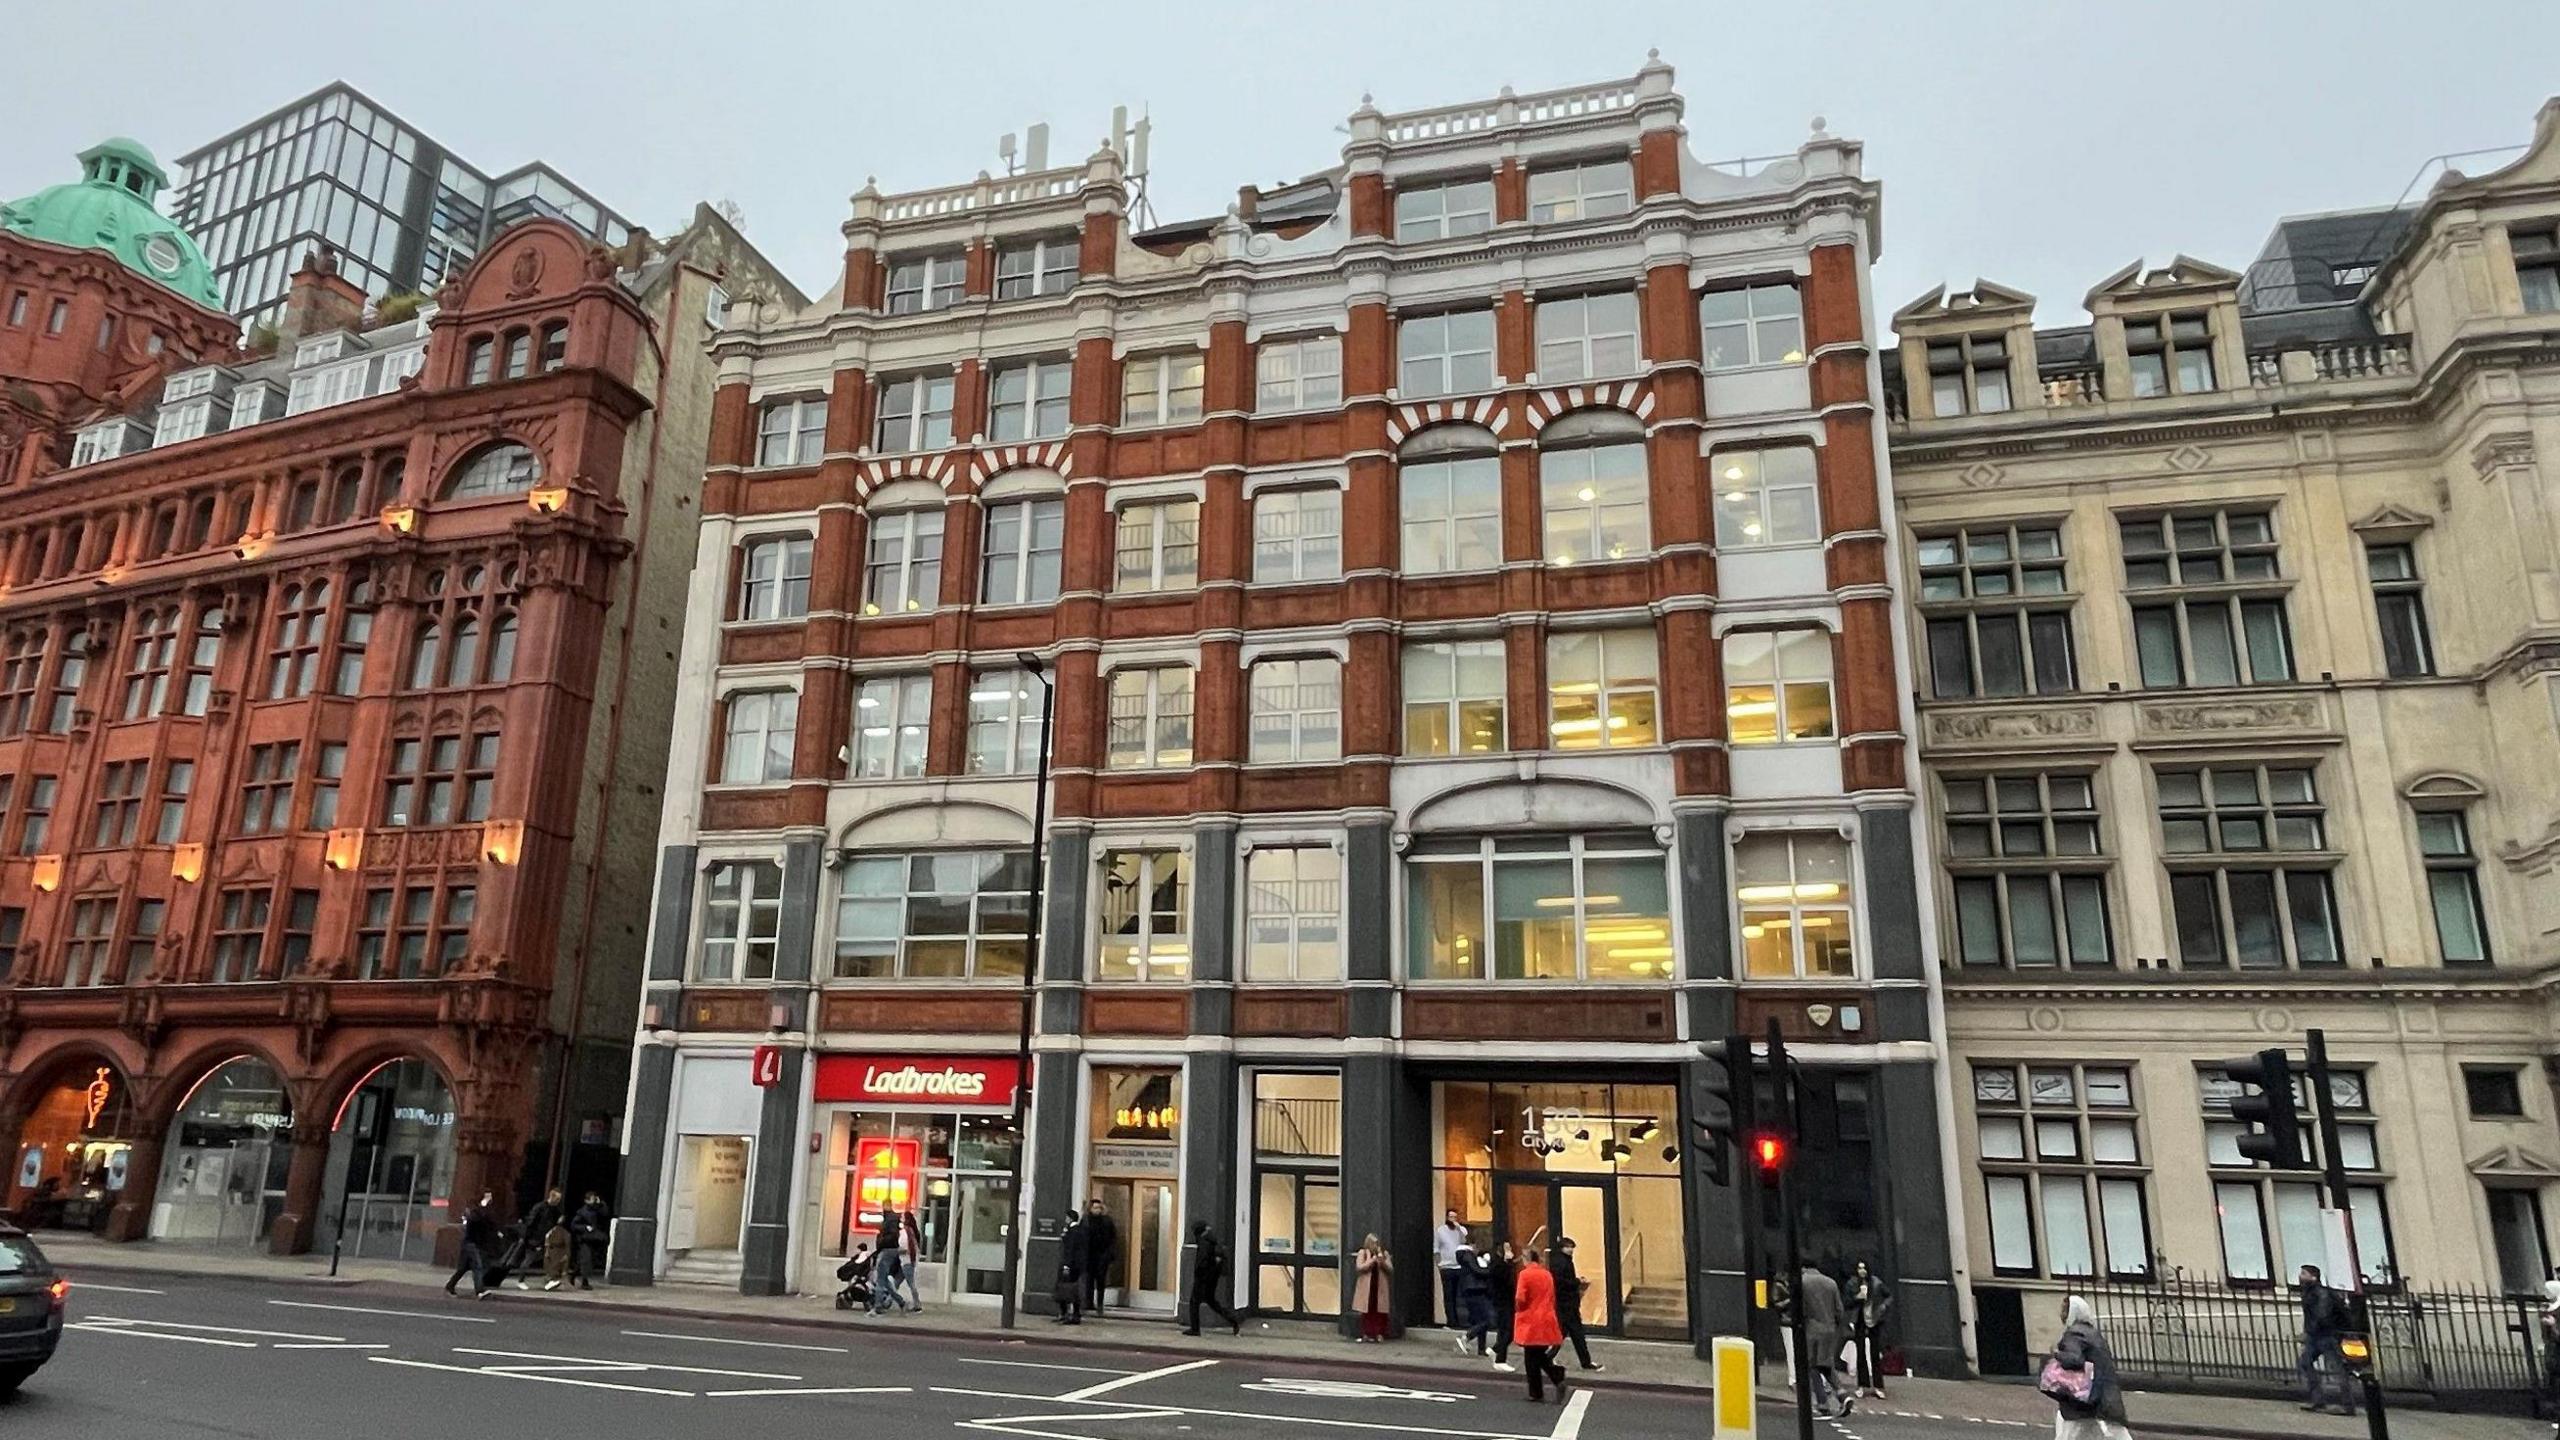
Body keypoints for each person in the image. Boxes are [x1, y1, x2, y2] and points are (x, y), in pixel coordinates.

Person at [2044, 1294, 2132, 1440]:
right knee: (2116, 1434)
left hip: (2083, 1399)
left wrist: (2057, 1354)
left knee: (2067, 1434)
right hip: (2103, 1395)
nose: (2061, 1315)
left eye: (2065, 1311)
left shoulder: (2075, 1334)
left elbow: (2074, 1359)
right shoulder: (2092, 1333)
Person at [1511, 1246, 1569, 1404]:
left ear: (1527, 1258)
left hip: (1531, 1320)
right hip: (1547, 1318)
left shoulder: (1525, 1274)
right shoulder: (1547, 1274)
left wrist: (1517, 1310)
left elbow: (1521, 1299)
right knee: (1537, 1355)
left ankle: (1544, 1386)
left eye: (1523, 1257)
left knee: (1531, 1358)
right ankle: (1553, 1379)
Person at [2296, 1264, 2352, 1415]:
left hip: (2326, 1336)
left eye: (2304, 1273)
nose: (2300, 1276)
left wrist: (2309, 1332)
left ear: (2313, 1277)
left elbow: (2322, 1315)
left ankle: (2347, 1405)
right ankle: (2318, 1400)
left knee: (2337, 1369)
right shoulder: (2309, 1292)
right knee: (2305, 1363)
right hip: (2316, 1336)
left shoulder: (2321, 1293)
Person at [1798, 1262, 1852, 1418]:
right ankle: (1843, 1395)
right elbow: (1839, 1311)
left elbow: (1800, 1308)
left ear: (1804, 1267)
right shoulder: (1831, 1282)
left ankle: (1822, 1403)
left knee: (1813, 1365)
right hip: (1830, 1329)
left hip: (1812, 1329)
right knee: (1826, 1364)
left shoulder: (1803, 1282)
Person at [1548, 1236, 1604, 1371]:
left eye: (1572, 1247)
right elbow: (1562, 1282)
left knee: (1565, 1332)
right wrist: (1577, 1282)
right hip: (1567, 1303)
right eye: (1569, 1247)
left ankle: (1549, 1358)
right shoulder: (1563, 1263)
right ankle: (1585, 1362)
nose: (1571, 1250)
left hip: (1565, 1303)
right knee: (1575, 1333)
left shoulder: (1559, 1261)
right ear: (1563, 1248)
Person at [1182, 1220, 1241, 1336]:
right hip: (1212, 1277)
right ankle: (1232, 1320)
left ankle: (1195, 1329)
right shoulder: (1212, 1240)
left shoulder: (1204, 1242)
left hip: (1203, 1278)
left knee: (1194, 1302)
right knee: (1212, 1301)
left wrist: (1198, 1274)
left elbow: (1202, 1261)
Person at [1847, 1260, 1893, 1399]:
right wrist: (1857, 1298)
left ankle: (1878, 1386)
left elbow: (1889, 1295)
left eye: (1864, 1268)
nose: (1862, 1271)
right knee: (1860, 1353)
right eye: (1859, 1268)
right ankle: (1862, 1385)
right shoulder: (1852, 1284)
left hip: (1874, 1320)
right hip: (1859, 1320)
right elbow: (1847, 1302)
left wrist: (1883, 1306)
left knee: (1874, 1353)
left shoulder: (1876, 1282)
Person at [445, 1191, 498, 1298]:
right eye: (487, 1197)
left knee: (463, 1268)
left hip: (476, 1243)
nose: (489, 1199)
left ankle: (450, 1286)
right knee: (478, 1266)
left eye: (490, 1197)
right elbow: (475, 1220)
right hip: (470, 1243)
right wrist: (483, 1207)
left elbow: (490, 1223)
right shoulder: (474, 1210)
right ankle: (480, 1291)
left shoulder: (486, 1210)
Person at [1483, 1240, 1519, 1373]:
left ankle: (1497, 1352)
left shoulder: (1502, 1264)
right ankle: (1499, 1357)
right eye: (1507, 1248)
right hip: (1502, 1301)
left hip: (1506, 1301)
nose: (1510, 1251)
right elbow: (1506, 1280)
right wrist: (1509, 1263)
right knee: (1507, 1330)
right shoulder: (1498, 1265)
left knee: (1506, 1330)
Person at [1453, 1241, 1494, 1357]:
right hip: (1475, 1289)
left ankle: (1481, 1349)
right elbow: (1477, 1270)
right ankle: (1466, 1337)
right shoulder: (1468, 1255)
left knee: (1481, 1320)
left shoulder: (1464, 1256)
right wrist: (1491, 1270)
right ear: (1472, 1245)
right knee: (1487, 1320)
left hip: (1472, 1290)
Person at [1352, 1233, 1394, 1342]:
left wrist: (1382, 1261)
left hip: (1379, 1286)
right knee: (1367, 1309)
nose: (1375, 1246)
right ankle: (1367, 1333)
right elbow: (1360, 1267)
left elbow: (1390, 1269)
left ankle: (1379, 1333)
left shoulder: (1384, 1254)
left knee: (1380, 1310)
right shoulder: (1363, 1253)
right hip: (1367, 1287)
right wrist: (1371, 1260)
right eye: (1373, 1243)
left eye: (1377, 1243)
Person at [1083, 1198, 1121, 1318]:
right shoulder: (1086, 1221)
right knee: (1088, 1281)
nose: (1097, 1210)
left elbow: (1113, 1238)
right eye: (1095, 1208)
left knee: (1101, 1282)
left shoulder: (1107, 1221)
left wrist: (1109, 1255)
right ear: (1090, 1209)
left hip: (1102, 1257)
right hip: (1089, 1256)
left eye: (1099, 1208)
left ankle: (1100, 1304)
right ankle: (1088, 1303)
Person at [1433, 1209, 1470, 1329]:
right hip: (1446, 1266)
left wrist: (1458, 1228)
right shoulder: (1441, 1231)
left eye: (1455, 1217)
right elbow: (1436, 1248)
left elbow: (1465, 1241)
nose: (1452, 1219)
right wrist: (1438, 1264)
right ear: (1447, 1218)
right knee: (1449, 1294)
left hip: (1458, 1266)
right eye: (1450, 1217)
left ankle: (1461, 1320)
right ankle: (1451, 1321)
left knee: (1459, 1294)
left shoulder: (1461, 1230)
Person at [1052, 1209, 1088, 1325]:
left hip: (1071, 1265)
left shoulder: (1073, 1231)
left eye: (1067, 1217)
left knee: (1068, 1289)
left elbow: (1070, 1249)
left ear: (1070, 1218)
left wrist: (1067, 1265)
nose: (1065, 1219)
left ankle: (1069, 1314)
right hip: (1075, 1265)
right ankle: (1069, 1314)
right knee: (1070, 1289)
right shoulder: (1076, 1230)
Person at [568, 1191, 607, 1290]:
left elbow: (605, 1213)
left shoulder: (597, 1209)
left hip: (594, 1238)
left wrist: (601, 1203)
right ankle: (584, 1282)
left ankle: (573, 1274)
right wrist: (585, 1227)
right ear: (586, 1201)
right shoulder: (582, 1212)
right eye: (592, 1199)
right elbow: (574, 1225)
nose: (594, 1201)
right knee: (586, 1260)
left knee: (587, 1260)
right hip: (584, 1239)